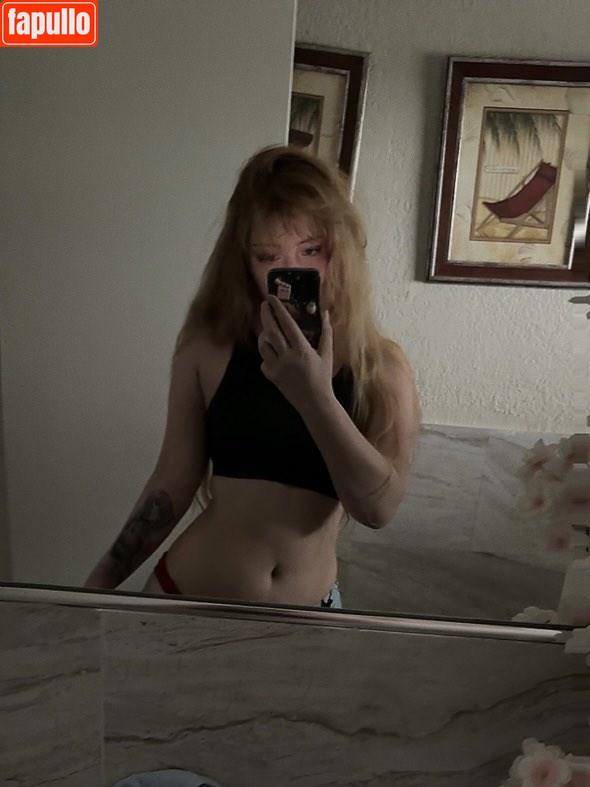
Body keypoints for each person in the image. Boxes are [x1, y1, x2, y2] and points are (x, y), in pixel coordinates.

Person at [84, 145, 420, 607]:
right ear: (243, 261)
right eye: (267, 256)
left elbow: (379, 509)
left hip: (310, 616)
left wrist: (315, 396)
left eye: (312, 250)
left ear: (342, 248)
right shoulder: (209, 344)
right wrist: (97, 584)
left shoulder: (381, 367)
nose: (291, 270)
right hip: (188, 599)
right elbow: (172, 481)